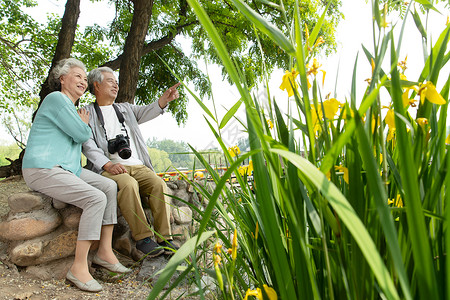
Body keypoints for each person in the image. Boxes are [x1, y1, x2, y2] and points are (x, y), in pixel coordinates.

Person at [22, 58, 131, 293]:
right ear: (63, 79)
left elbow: (80, 134)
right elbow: (82, 134)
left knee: (109, 187)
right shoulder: (56, 100)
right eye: (77, 76)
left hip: (67, 169)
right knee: (95, 197)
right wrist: (83, 124)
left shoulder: (72, 109)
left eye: (84, 78)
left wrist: (82, 124)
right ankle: (78, 268)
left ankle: (104, 252)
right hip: (44, 168)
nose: (83, 81)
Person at [82, 66, 181, 257]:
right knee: (128, 185)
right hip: (108, 167)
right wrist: (108, 164)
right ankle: (143, 239)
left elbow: (147, 111)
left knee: (158, 184)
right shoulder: (87, 113)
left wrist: (163, 100)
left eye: (116, 82)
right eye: (110, 81)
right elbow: (88, 145)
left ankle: (165, 239)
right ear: (96, 86)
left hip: (136, 164)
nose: (116, 85)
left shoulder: (125, 109)